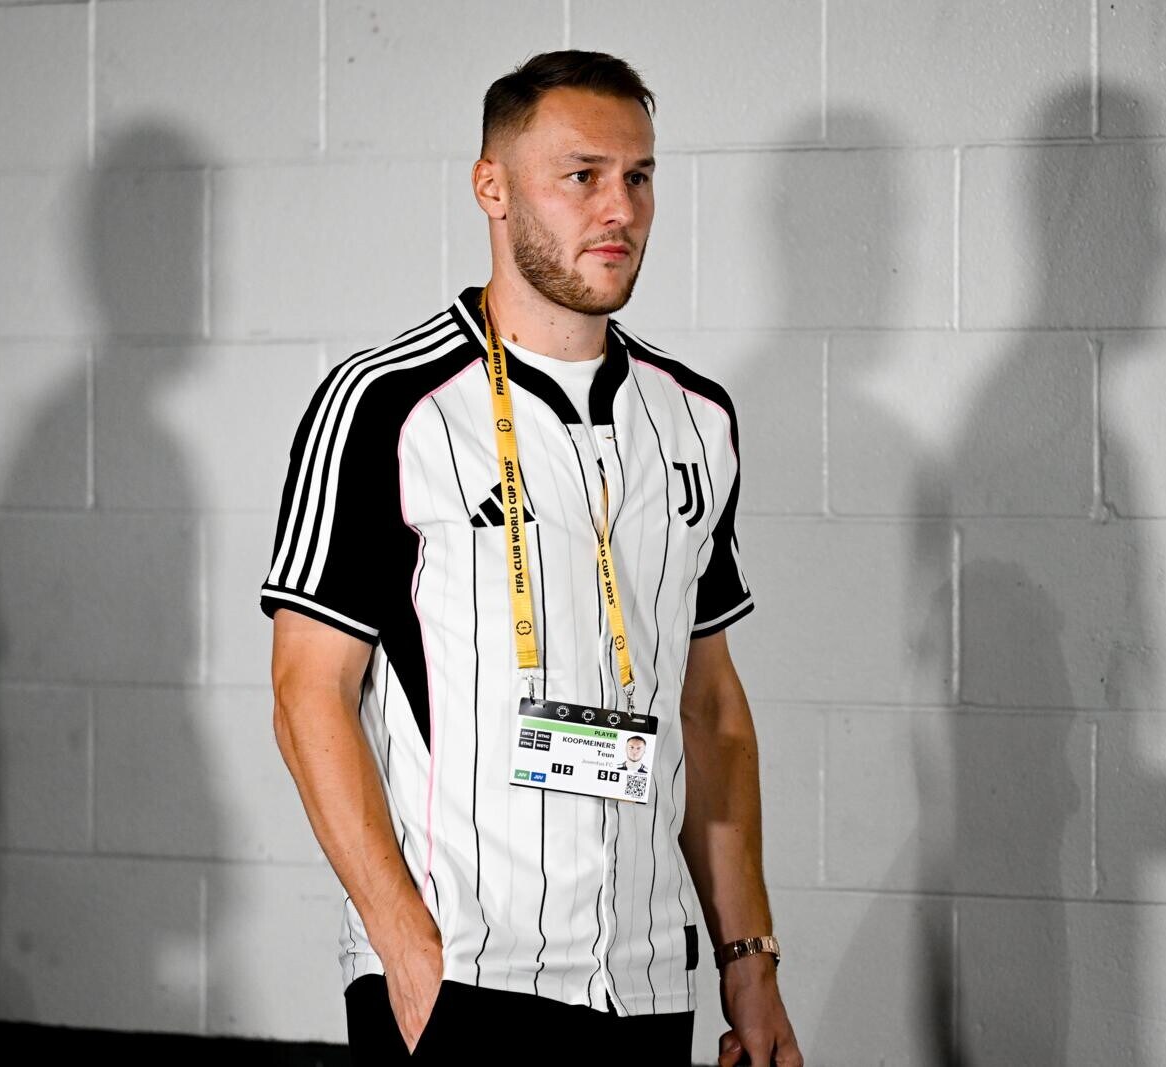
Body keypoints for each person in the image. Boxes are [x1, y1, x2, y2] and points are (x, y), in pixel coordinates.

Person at [262, 50, 801, 1067]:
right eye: (582, 175)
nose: (619, 208)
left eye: (639, 177)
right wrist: (405, 948)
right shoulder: (389, 405)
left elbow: (710, 710)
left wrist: (749, 959)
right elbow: (307, 694)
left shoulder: (696, 420)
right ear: (493, 187)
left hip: (646, 980)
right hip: (460, 974)